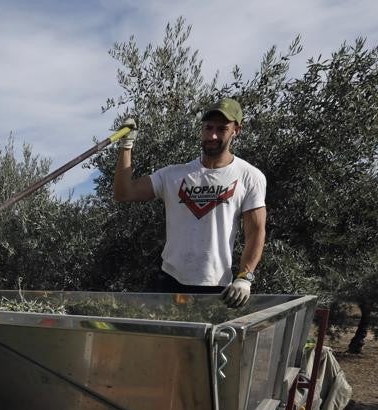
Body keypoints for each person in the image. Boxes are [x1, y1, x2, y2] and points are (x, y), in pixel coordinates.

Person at [111, 98, 266, 308]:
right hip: (169, 283)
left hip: (217, 287)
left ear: (236, 130)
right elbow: (123, 193)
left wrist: (245, 277)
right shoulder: (173, 175)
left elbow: (255, 232)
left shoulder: (249, 176)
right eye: (208, 128)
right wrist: (126, 146)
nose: (212, 135)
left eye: (221, 129)